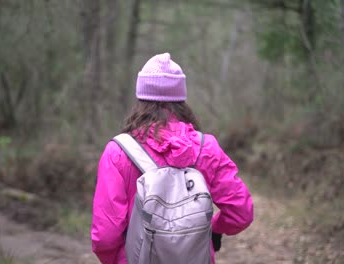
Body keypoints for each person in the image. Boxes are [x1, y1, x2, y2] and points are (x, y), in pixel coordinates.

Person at [91, 52, 253, 264]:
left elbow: (105, 235)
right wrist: (210, 228)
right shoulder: (206, 148)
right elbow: (241, 213)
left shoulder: (118, 152)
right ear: (181, 100)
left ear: (141, 97)